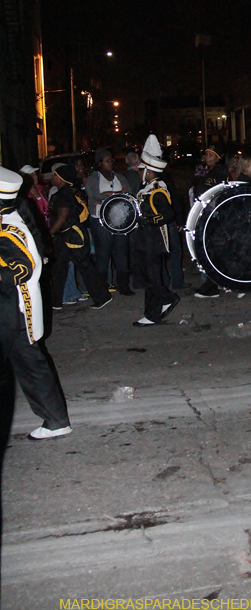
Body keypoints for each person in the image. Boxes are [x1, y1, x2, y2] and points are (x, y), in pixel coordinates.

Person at [0, 165, 72, 439]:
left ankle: (55, 420)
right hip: (10, 309)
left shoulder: (9, 229)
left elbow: (25, 267)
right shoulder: (8, 221)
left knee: (31, 365)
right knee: (30, 365)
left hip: (16, 310)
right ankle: (54, 420)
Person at [130, 135, 180, 326]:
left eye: (142, 169)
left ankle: (153, 313)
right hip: (145, 240)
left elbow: (168, 214)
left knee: (152, 278)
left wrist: (149, 219)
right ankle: (162, 302)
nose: (139, 171)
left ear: (149, 172)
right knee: (148, 277)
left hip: (155, 241)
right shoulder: (148, 187)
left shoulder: (157, 190)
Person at [48, 165, 112, 310]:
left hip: (72, 236)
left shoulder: (63, 196)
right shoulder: (66, 193)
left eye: (55, 175)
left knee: (84, 266)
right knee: (59, 268)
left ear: (62, 179)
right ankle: (56, 302)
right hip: (66, 236)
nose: (52, 178)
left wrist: (48, 234)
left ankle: (102, 297)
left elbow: (62, 218)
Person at [85, 149, 133, 295]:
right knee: (103, 255)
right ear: (99, 163)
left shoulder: (119, 177)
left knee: (121, 254)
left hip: (119, 221)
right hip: (100, 221)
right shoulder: (93, 178)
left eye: (111, 160)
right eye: (107, 161)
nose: (110, 163)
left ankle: (123, 285)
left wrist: (109, 195)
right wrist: (117, 194)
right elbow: (95, 196)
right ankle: (102, 286)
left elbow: (129, 193)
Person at [193, 145, 229, 298]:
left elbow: (222, 192)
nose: (207, 157)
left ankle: (212, 285)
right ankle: (213, 284)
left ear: (217, 158)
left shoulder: (220, 172)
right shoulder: (206, 170)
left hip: (214, 215)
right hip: (206, 213)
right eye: (206, 154)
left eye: (211, 155)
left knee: (212, 251)